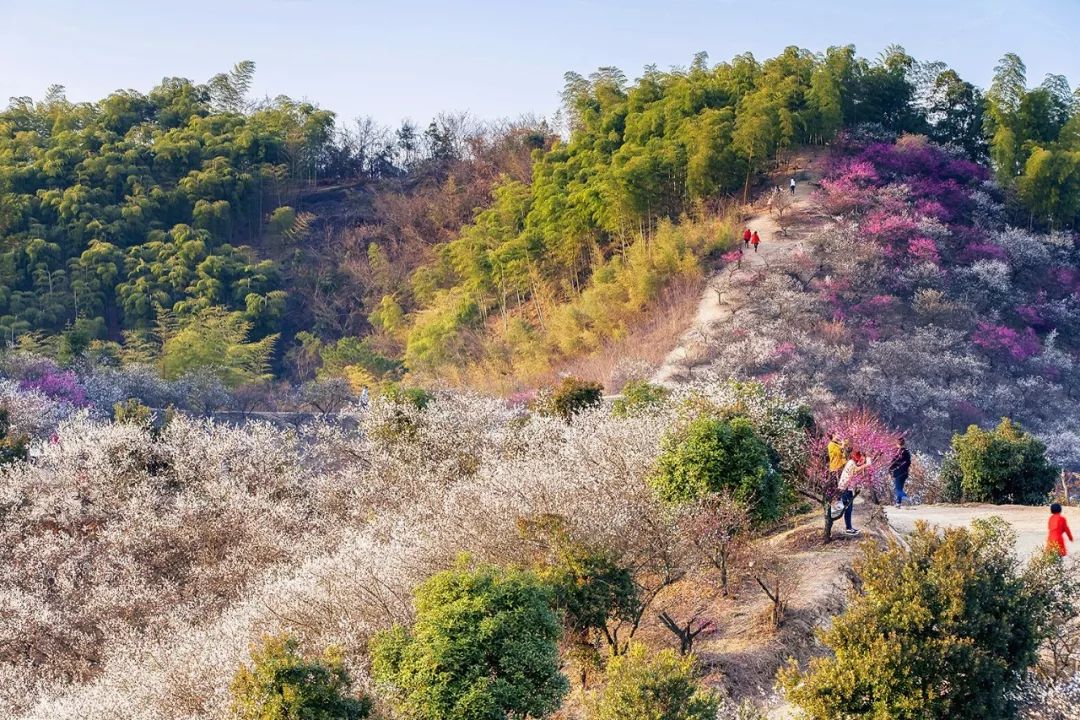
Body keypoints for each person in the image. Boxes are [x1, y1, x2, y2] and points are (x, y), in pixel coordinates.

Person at [837, 450, 872, 535]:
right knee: (848, 508)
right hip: (844, 488)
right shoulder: (851, 462)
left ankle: (849, 527)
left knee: (848, 508)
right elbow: (855, 470)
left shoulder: (852, 462)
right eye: (862, 457)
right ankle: (848, 528)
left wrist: (864, 466)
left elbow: (857, 472)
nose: (862, 459)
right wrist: (866, 464)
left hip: (846, 488)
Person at [889, 438, 911, 509]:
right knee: (900, 488)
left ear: (897, 444)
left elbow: (893, 463)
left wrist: (890, 471)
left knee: (898, 489)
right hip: (905, 472)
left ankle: (905, 497)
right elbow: (909, 462)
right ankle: (898, 503)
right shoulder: (907, 452)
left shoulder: (896, 452)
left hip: (898, 472)